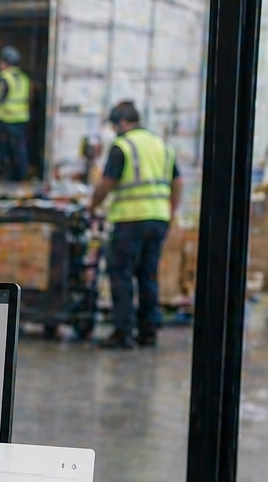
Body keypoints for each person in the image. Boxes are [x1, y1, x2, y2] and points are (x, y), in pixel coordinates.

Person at [88, 100, 181, 349]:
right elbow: (177, 181)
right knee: (148, 274)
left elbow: (107, 182)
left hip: (130, 219)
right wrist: (170, 211)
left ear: (122, 123)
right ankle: (148, 331)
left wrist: (92, 206)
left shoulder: (123, 146)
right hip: (158, 219)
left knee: (120, 273)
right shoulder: (162, 145)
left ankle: (123, 332)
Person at [0, 46, 31, 182]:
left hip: (7, 117)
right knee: (19, 147)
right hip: (21, 117)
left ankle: (3, 172)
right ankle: (20, 174)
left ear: (6, 62)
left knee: (2, 147)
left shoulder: (5, 77)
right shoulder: (23, 77)